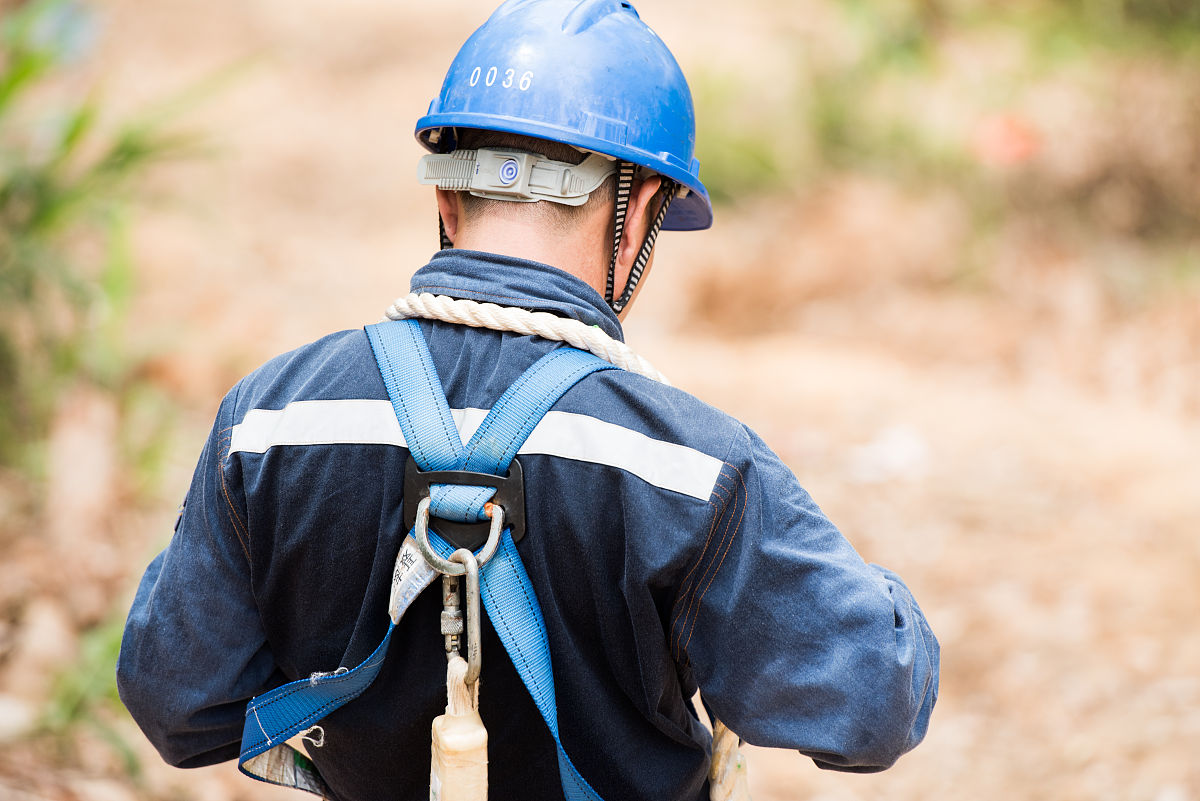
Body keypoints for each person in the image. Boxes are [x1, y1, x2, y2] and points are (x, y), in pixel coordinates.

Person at [117, 1, 939, 800]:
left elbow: (180, 703)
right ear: (636, 214)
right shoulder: (693, 470)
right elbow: (875, 701)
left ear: (446, 199)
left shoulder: (269, 424)